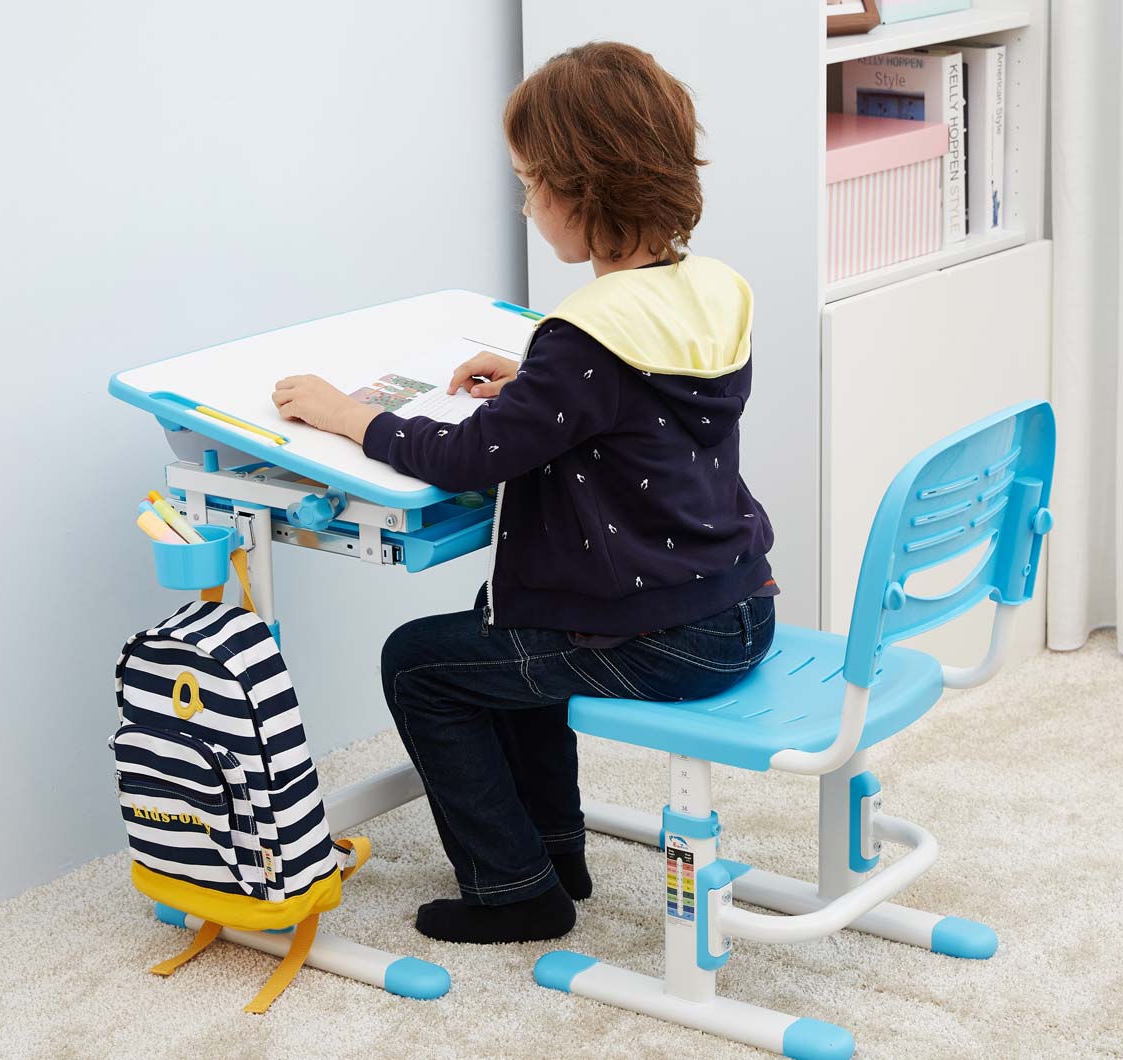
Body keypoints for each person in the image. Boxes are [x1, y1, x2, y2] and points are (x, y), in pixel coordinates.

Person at [271, 41, 778, 944]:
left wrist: (353, 416)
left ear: (580, 193)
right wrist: (538, 389)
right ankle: (555, 848)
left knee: (420, 665)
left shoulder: (586, 336)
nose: (525, 201)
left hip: (663, 637)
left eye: (531, 181)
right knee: (505, 615)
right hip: (735, 609)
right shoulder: (712, 290)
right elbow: (636, 411)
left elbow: (470, 460)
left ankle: (516, 891)